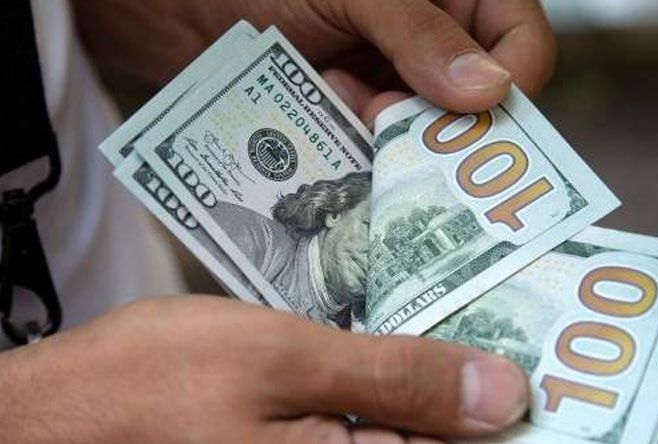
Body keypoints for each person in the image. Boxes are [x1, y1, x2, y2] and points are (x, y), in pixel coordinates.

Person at [0, 0, 556, 442]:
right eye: (374, 227)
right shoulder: (253, 238)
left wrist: (185, 15)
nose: (383, 251)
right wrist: (33, 417)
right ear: (333, 212)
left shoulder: (355, 308)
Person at [217, 172, 371, 327]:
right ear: (335, 214)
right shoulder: (251, 236)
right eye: (370, 229)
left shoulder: (347, 334)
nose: (375, 257)